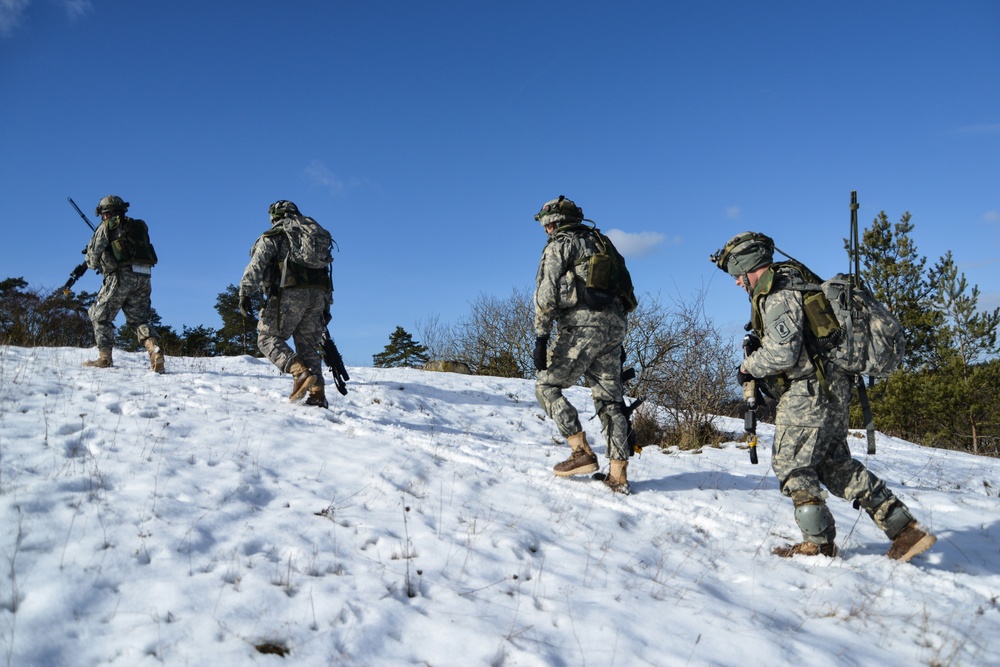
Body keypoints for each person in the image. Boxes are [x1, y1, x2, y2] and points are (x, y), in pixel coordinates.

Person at [711, 231, 936, 562]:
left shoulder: (777, 293)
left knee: (791, 465)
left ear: (748, 267)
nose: (736, 283)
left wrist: (749, 366)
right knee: (833, 466)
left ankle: (817, 544)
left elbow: (783, 353)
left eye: (736, 275)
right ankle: (905, 530)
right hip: (832, 388)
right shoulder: (799, 283)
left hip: (808, 391)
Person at [532, 196, 634, 494]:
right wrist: (612, 332)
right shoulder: (603, 243)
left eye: (546, 225)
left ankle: (581, 453)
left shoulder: (560, 245)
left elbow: (546, 293)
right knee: (611, 401)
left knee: (546, 386)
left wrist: (541, 336)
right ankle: (618, 476)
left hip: (581, 327)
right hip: (614, 327)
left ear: (553, 223)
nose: (545, 230)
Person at [239, 200, 332, 408]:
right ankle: (317, 395)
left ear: (275, 216)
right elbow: (326, 272)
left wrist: (245, 292)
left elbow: (257, 264)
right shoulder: (315, 237)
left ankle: (299, 372)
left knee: (266, 338)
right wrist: (327, 305)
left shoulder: (276, 235)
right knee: (308, 345)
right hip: (317, 297)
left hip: (288, 294)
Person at [83, 195, 165, 373]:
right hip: (144, 277)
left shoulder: (106, 227)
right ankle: (154, 350)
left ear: (105, 213)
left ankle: (104, 359)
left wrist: (92, 258)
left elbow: (92, 259)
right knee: (139, 320)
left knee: (100, 316)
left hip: (120, 277)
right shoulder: (137, 226)